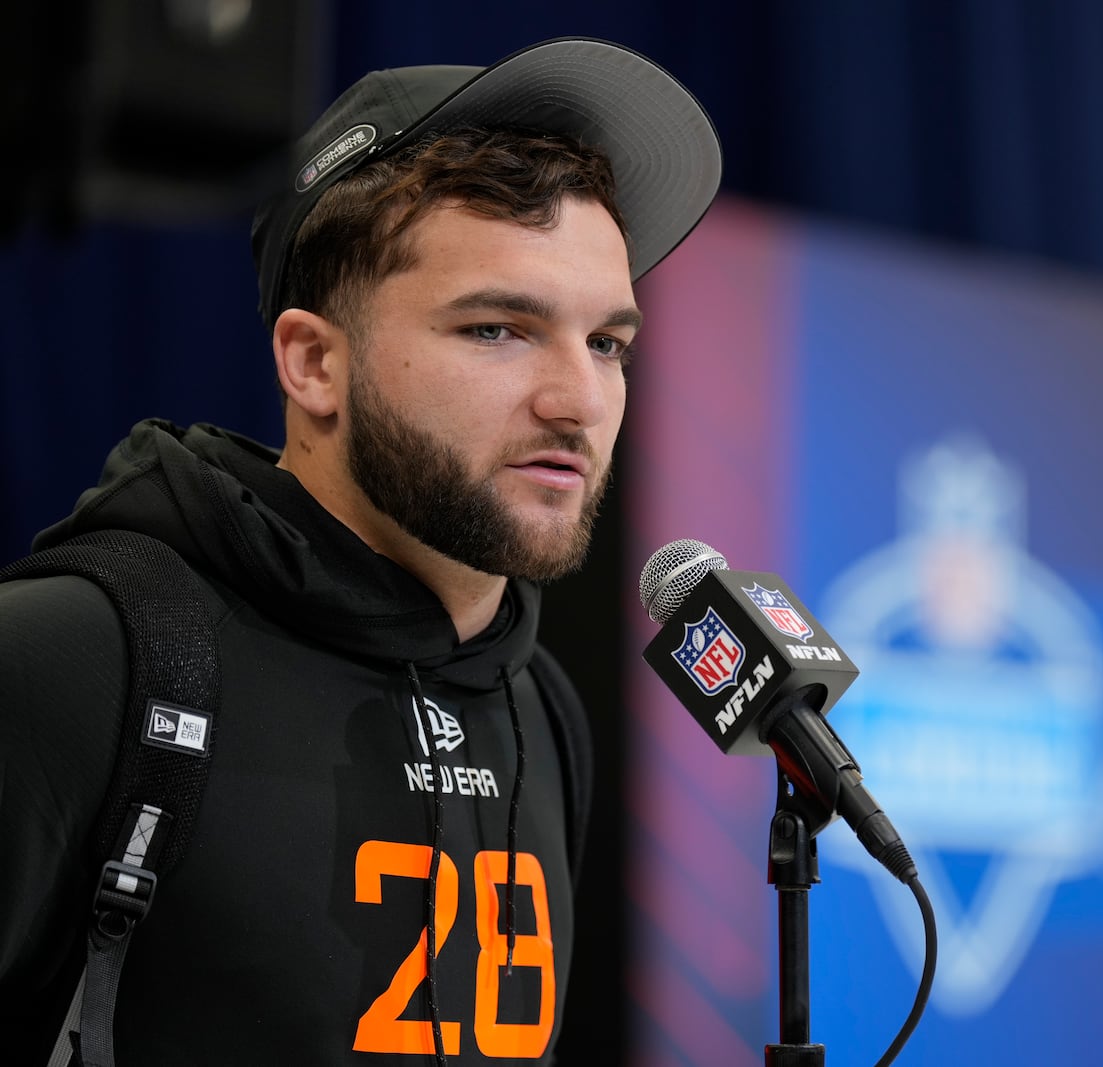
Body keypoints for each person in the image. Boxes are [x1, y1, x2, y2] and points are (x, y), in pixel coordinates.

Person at [0, 37, 720, 1064]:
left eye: (607, 342)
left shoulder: (541, 705)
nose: (579, 401)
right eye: (497, 329)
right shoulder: (73, 657)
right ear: (314, 362)